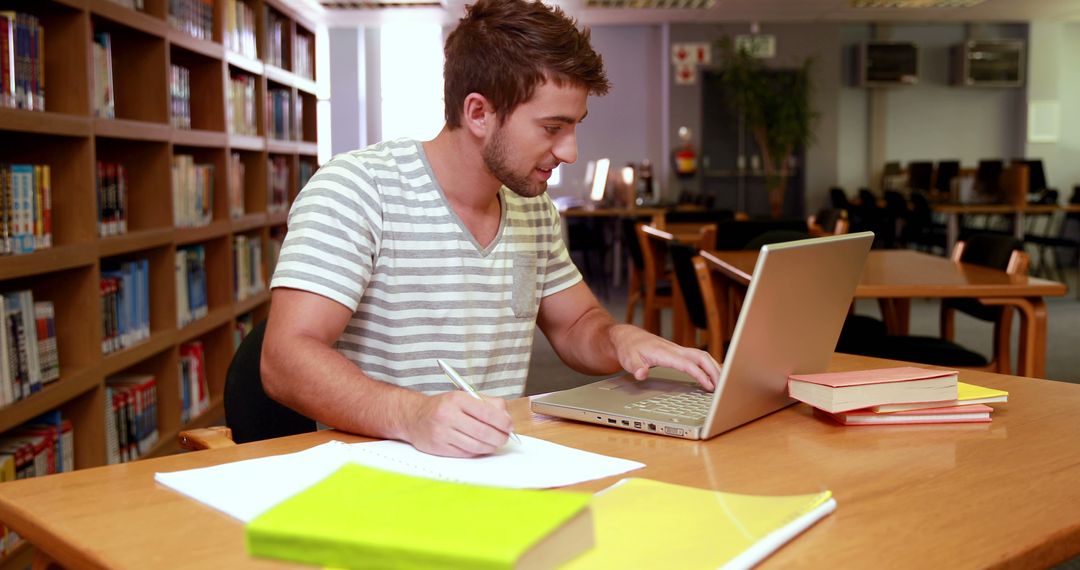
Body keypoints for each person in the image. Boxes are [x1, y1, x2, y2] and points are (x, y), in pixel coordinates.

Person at [262, 0, 722, 458]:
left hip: (493, 464)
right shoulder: (358, 189)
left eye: (574, 127)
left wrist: (621, 339)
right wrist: (412, 415)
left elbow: (576, 324)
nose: (570, 153)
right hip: (378, 472)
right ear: (479, 113)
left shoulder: (531, 207)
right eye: (551, 128)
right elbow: (285, 359)